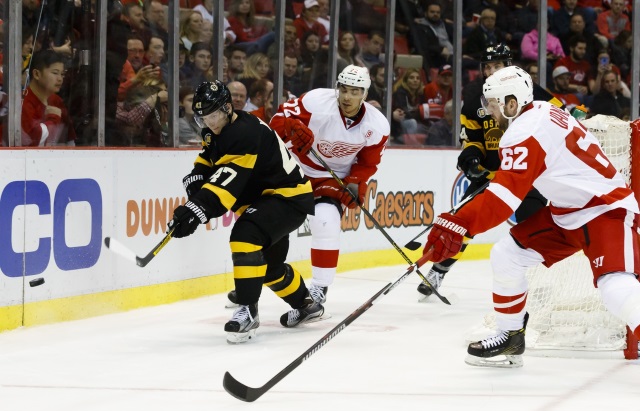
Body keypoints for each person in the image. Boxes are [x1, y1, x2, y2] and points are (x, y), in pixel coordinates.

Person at [423, 65, 640, 367]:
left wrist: (459, 222)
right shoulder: (540, 110)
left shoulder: (525, 130)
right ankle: (510, 336)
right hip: (566, 213)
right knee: (507, 255)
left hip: (605, 210)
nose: (488, 112)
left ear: (512, 103)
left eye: (493, 104)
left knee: (615, 287)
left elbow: (502, 201)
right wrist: (459, 220)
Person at [225, 65, 390, 317]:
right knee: (262, 223)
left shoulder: (377, 125)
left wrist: (354, 183)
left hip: (330, 177)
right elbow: (276, 122)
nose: (347, 97)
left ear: (364, 94)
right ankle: (251, 282)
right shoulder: (315, 102)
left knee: (326, 221)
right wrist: (290, 127)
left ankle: (320, 288)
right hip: (293, 169)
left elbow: (368, 163)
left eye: (354, 92)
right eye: (343, 89)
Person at [170, 80, 317, 343]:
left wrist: (195, 210)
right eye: (203, 117)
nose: (210, 122)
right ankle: (307, 305)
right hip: (268, 200)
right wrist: (196, 176)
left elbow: (226, 182)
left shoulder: (244, 133)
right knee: (269, 268)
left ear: (227, 108)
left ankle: (247, 311)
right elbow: (210, 158)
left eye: (214, 115)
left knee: (244, 237)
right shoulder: (217, 129)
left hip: (287, 197)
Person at [417, 43, 564, 300]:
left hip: (529, 177)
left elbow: (561, 117)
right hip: (493, 176)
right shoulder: (475, 102)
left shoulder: (533, 93)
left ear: (509, 66)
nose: (492, 70)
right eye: (488, 66)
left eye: (497, 65)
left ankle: (541, 281)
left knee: (535, 226)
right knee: (461, 222)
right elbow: (472, 139)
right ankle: (440, 270)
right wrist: (471, 159)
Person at [21, 50, 76, 146]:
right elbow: (31, 143)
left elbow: (70, 139)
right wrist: (53, 120)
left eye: (62, 74)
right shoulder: (22, 102)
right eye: (55, 73)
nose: (60, 79)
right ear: (37, 74)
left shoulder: (56, 101)